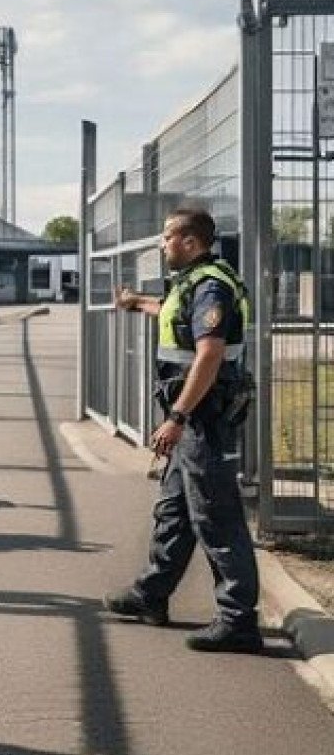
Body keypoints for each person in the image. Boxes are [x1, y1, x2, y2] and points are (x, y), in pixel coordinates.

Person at [104, 208, 262, 654]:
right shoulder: (195, 281)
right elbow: (179, 316)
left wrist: (176, 416)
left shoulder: (212, 284)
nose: (162, 244)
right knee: (174, 511)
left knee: (217, 516)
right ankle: (151, 595)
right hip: (196, 417)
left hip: (203, 419)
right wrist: (137, 303)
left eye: (167, 237)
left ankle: (238, 621)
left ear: (190, 242)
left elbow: (208, 355)